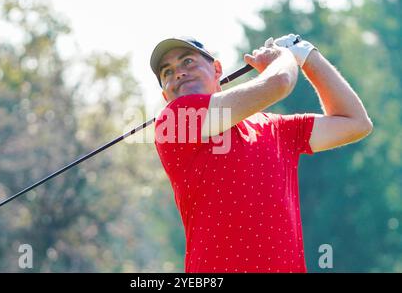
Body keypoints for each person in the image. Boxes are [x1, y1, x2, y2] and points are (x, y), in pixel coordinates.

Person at [150, 34, 373, 273]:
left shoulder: (276, 129)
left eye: (187, 62)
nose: (179, 73)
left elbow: (356, 122)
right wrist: (284, 57)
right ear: (166, 95)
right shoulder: (175, 120)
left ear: (217, 69)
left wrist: (307, 55)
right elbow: (279, 83)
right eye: (167, 73)